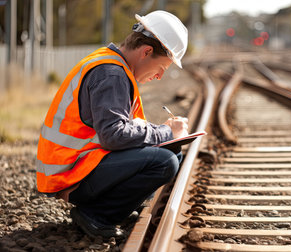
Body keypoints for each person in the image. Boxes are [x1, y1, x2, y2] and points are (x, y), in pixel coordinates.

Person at [35, 10, 189, 239]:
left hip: (83, 164)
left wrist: (166, 136)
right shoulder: (111, 74)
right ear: (146, 52)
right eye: (162, 69)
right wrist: (166, 131)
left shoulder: (112, 64)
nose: (159, 77)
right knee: (165, 162)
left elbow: (117, 131)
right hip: (72, 174)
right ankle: (97, 215)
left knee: (172, 153)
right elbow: (114, 135)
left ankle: (123, 203)